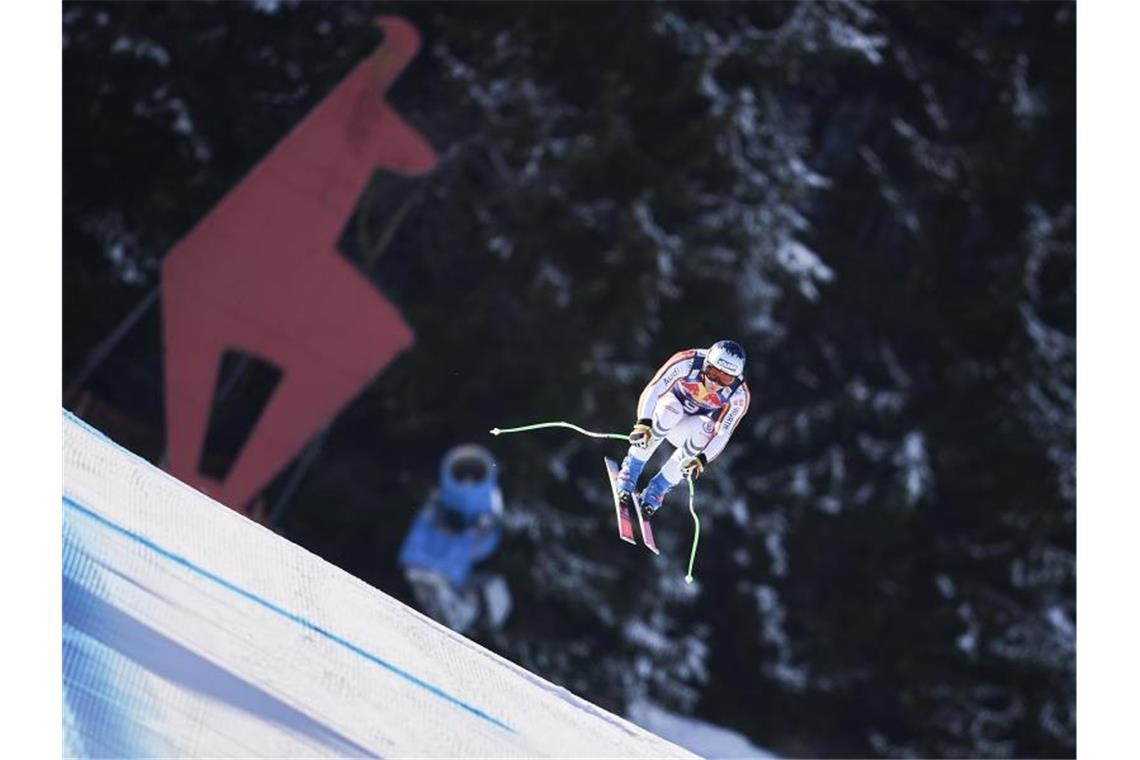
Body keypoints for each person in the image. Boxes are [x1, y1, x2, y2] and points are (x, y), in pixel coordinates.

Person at [617, 340, 750, 518]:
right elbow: (654, 388)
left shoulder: (739, 395)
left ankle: (658, 489)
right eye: (712, 373)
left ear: (735, 378)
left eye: (725, 379)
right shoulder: (688, 361)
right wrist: (644, 423)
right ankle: (630, 470)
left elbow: (723, 432)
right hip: (664, 414)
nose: (715, 383)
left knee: (707, 428)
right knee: (671, 410)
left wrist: (701, 459)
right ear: (706, 363)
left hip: (688, 429)